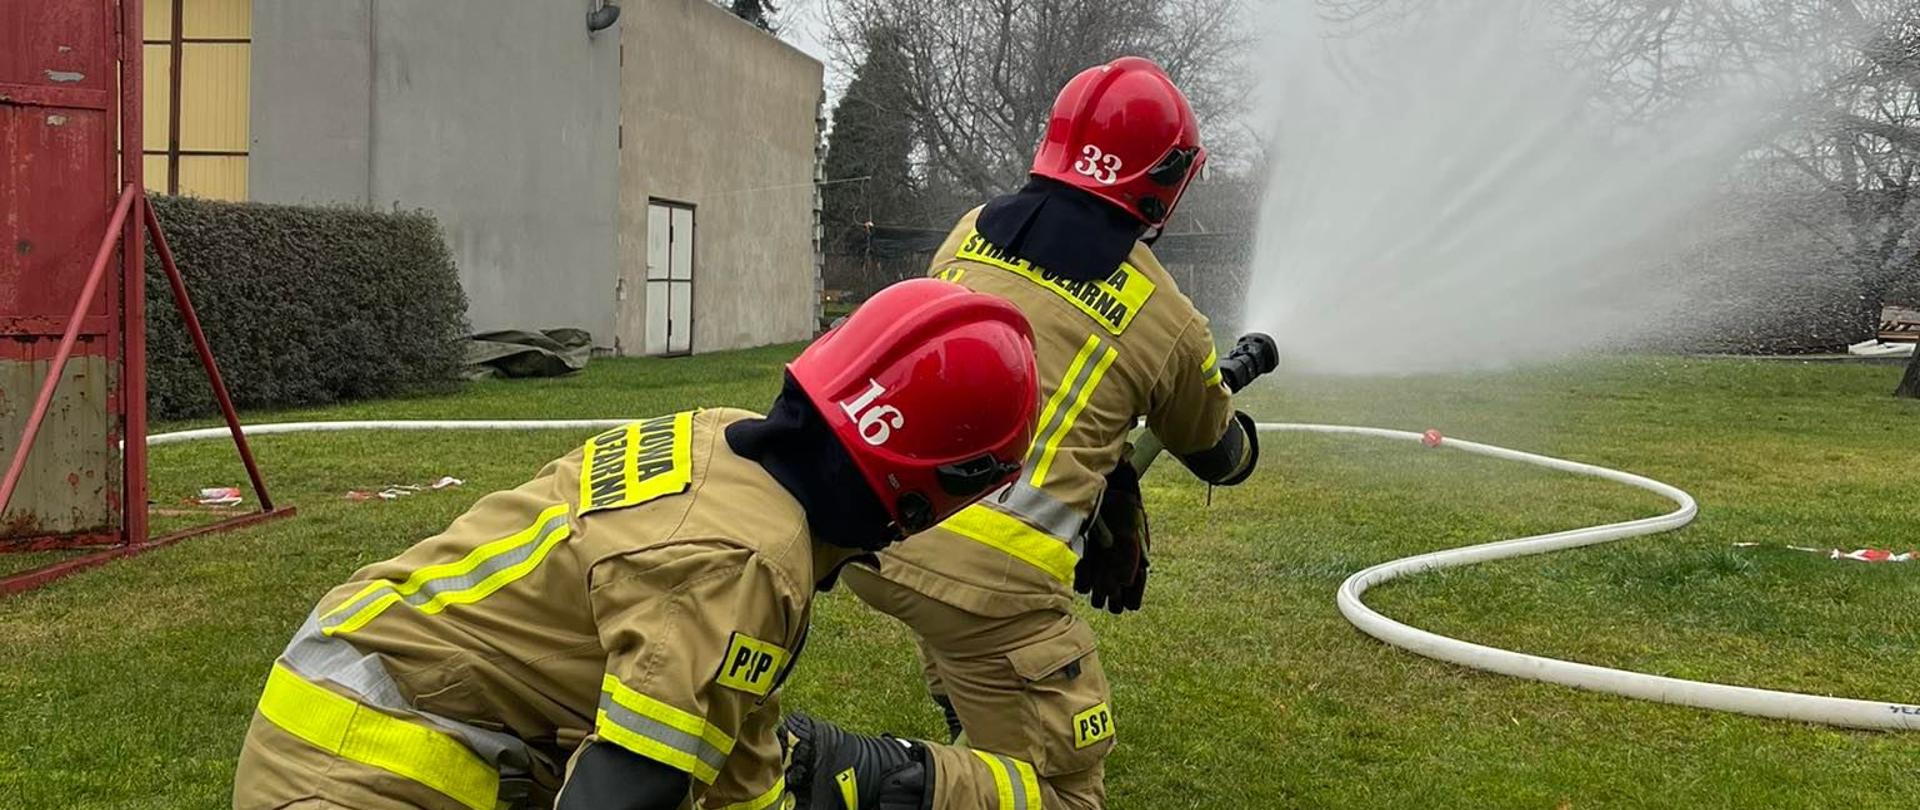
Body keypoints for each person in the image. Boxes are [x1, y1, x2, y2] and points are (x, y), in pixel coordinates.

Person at [231, 278, 1041, 810]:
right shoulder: (743, 562)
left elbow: (727, 743)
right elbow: (620, 796)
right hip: (366, 774)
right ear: (933, 489)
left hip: (358, 706)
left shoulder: (722, 442)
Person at [782, 57, 1278, 810]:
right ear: (1169, 179)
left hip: (875, 531)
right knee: (1061, 794)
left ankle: (975, 726)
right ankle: (856, 775)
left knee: (977, 671)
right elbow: (1216, 451)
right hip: (988, 581)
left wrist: (1108, 469)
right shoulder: (1168, 316)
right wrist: (1235, 430)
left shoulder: (970, 233)